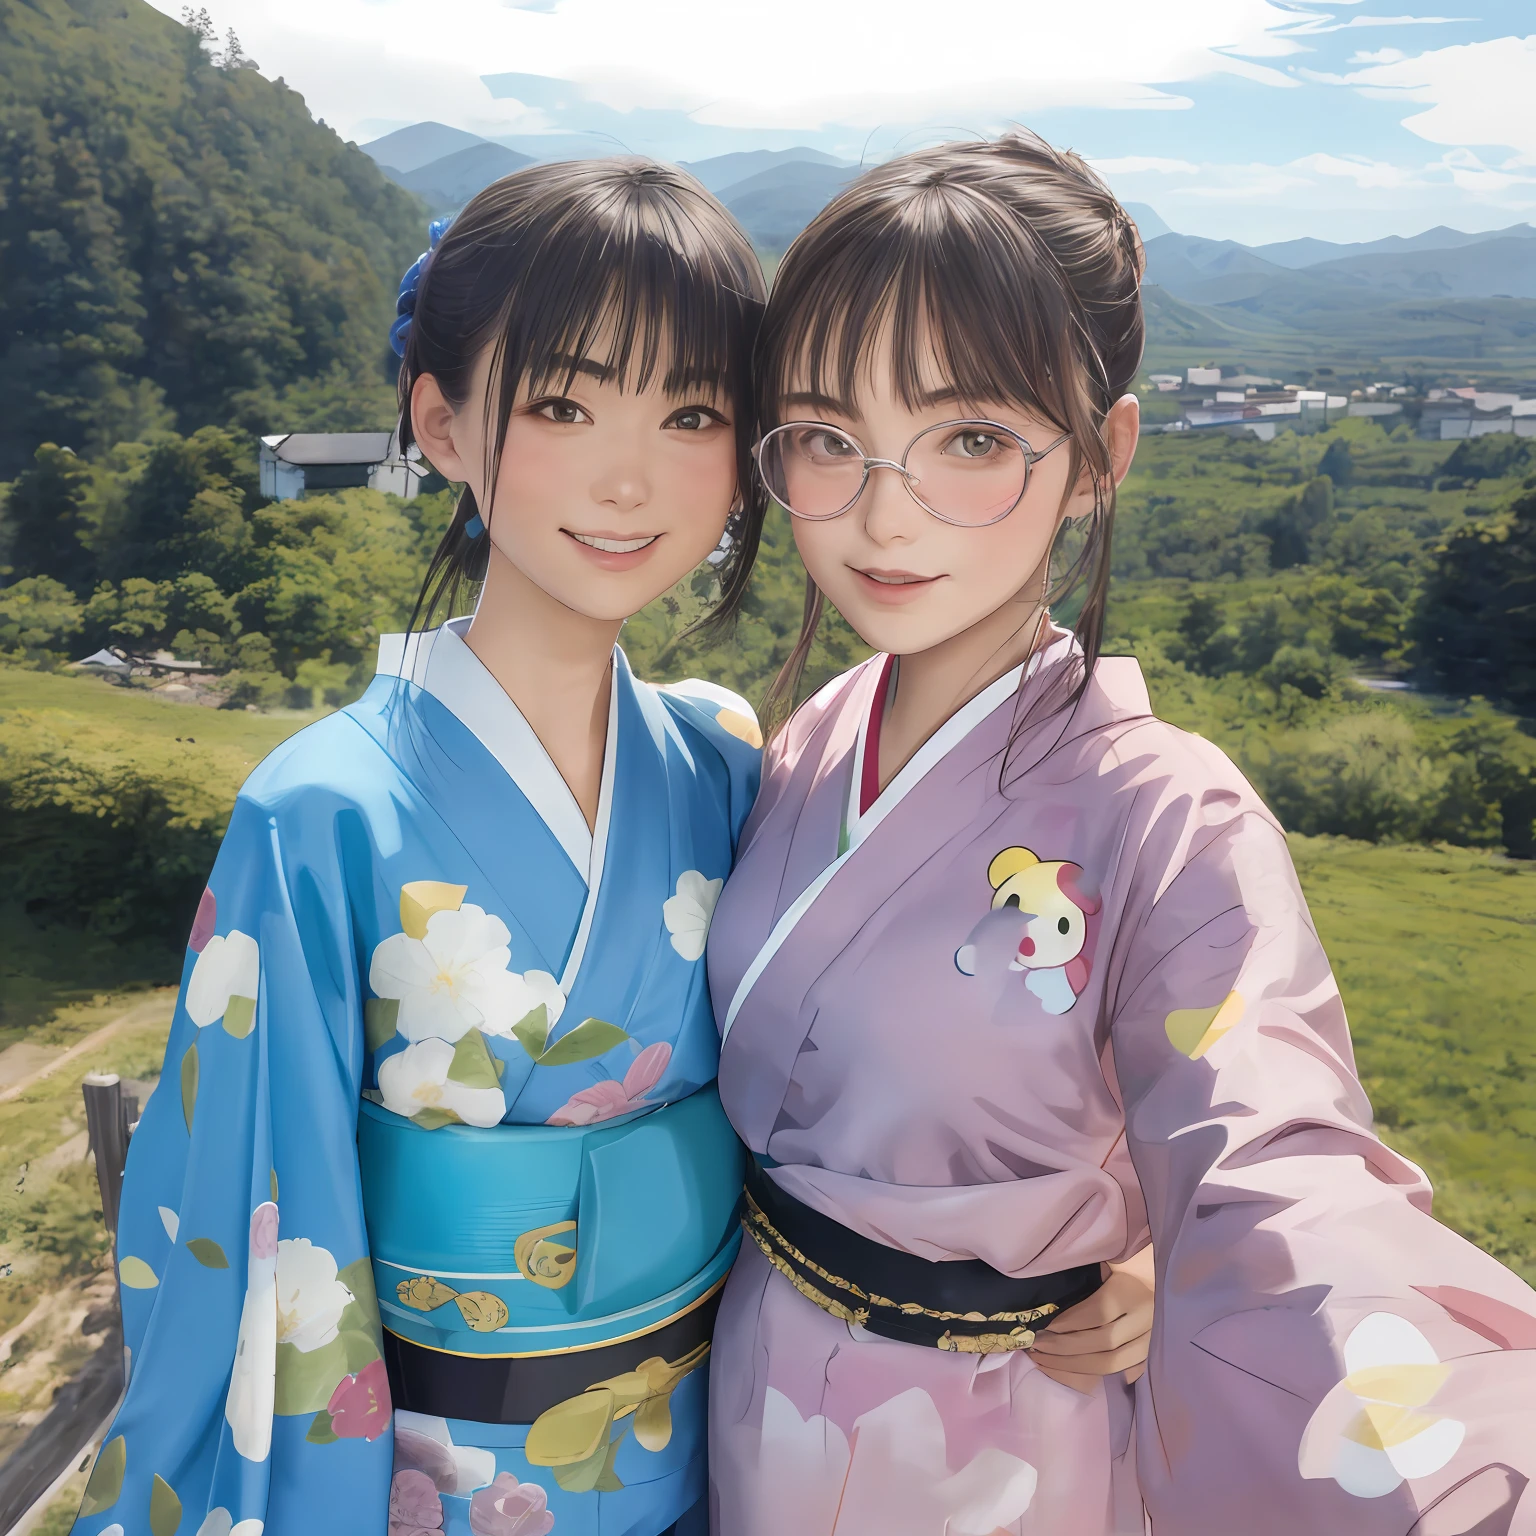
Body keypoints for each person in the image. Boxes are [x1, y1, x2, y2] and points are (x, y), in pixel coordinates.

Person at [706, 132, 1536, 1536]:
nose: (881, 511)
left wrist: (1186, 1260)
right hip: (755, 1401)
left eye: (970, 438)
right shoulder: (799, 744)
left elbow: (1277, 1166)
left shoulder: (1170, 815)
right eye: (829, 438)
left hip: (998, 1451)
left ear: (1100, 459)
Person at [73, 159, 768, 1536]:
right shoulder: (318, 811)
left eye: (693, 411)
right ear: (442, 422)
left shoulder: (726, 764)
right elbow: (263, 1236)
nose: (632, 476)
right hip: (426, 1497)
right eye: (565, 403)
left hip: (720, 1466)